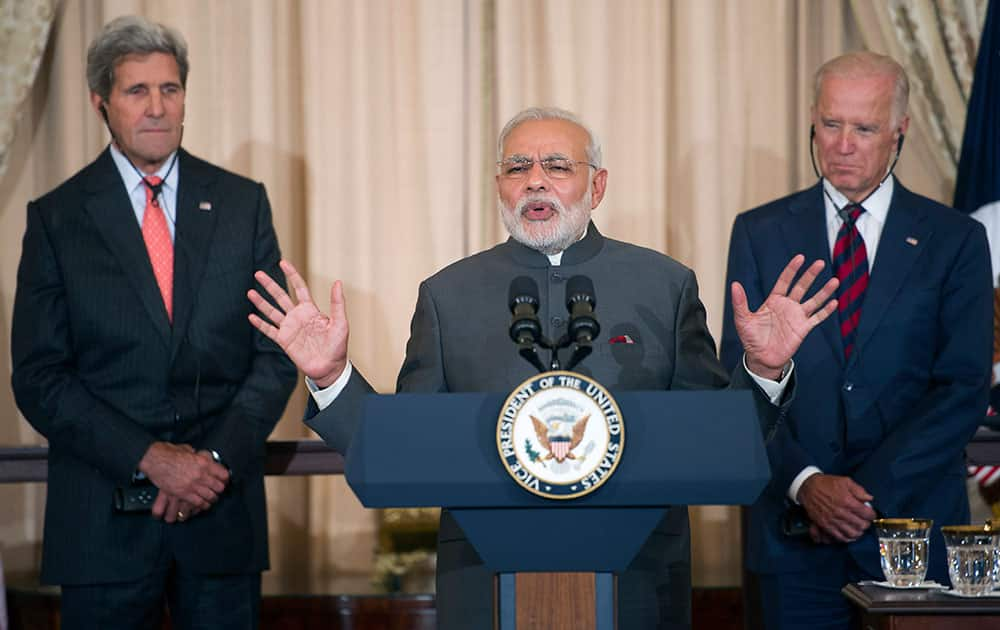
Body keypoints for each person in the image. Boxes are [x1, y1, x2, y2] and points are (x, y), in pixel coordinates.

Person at [248, 107, 838, 629]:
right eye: (517, 167)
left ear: (597, 184)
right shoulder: (447, 295)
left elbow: (716, 440)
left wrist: (762, 370)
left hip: (637, 579)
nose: (536, 180)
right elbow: (405, 451)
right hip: (484, 583)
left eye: (558, 165)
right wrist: (331, 378)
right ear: (499, 187)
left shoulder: (663, 285)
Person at [10, 16, 297, 630]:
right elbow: (39, 375)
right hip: (101, 529)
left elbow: (274, 355)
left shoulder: (243, 204)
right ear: (101, 103)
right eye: (136, 91)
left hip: (220, 519)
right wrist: (148, 457)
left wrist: (209, 462)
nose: (157, 107)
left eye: (170, 89)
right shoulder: (57, 218)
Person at [720, 51, 992, 629]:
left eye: (864, 128)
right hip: (792, 544)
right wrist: (806, 483)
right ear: (812, 122)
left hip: (911, 538)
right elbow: (735, 383)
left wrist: (860, 495)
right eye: (831, 124)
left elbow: (962, 388)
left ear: (900, 131)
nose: (842, 144)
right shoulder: (759, 232)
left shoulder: (955, 240)